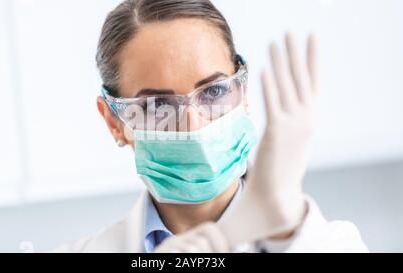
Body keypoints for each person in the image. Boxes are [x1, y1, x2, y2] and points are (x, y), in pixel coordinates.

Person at [55, 0, 368, 253]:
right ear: (115, 122)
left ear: (242, 93)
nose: (194, 126)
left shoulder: (331, 243)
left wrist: (284, 232)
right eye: (158, 106)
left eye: (214, 91)